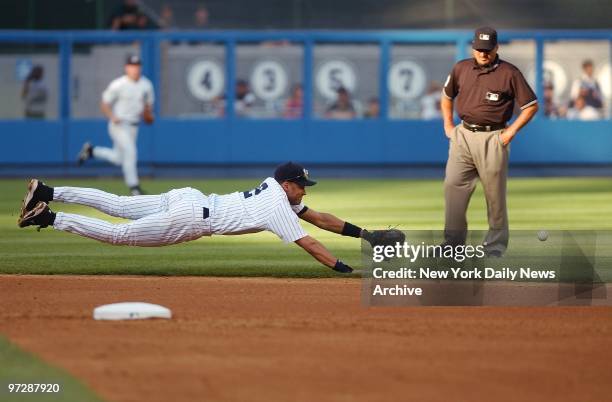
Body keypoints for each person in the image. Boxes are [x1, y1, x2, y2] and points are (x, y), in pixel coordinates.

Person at [17, 162, 398, 274]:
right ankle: (50, 217)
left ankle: (49, 191)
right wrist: (341, 267)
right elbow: (310, 242)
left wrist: (365, 234)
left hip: (189, 197)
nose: (305, 190)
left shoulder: (271, 187)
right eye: (301, 185)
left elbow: (320, 219)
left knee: (117, 203)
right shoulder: (276, 205)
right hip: (191, 219)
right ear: (286, 184)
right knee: (120, 234)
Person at [440, 27, 538, 256]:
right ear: (473, 47)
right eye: (479, 49)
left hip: (493, 138)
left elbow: (531, 106)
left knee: (494, 196)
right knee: (452, 187)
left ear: (496, 48)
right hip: (463, 135)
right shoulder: (461, 68)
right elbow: (446, 96)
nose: (483, 54)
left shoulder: (509, 73)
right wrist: (447, 125)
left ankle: (495, 246)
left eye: (488, 49)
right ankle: (453, 244)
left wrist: (510, 132)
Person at [77, 54, 154, 196]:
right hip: (119, 125)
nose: (135, 69)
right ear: (126, 68)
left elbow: (149, 117)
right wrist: (112, 116)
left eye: (137, 66)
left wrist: (148, 113)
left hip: (134, 126)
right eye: (132, 66)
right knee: (130, 152)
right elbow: (104, 103)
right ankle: (134, 188)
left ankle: (91, 151)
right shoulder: (119, 84)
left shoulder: (147, 85)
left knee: (119, 158)